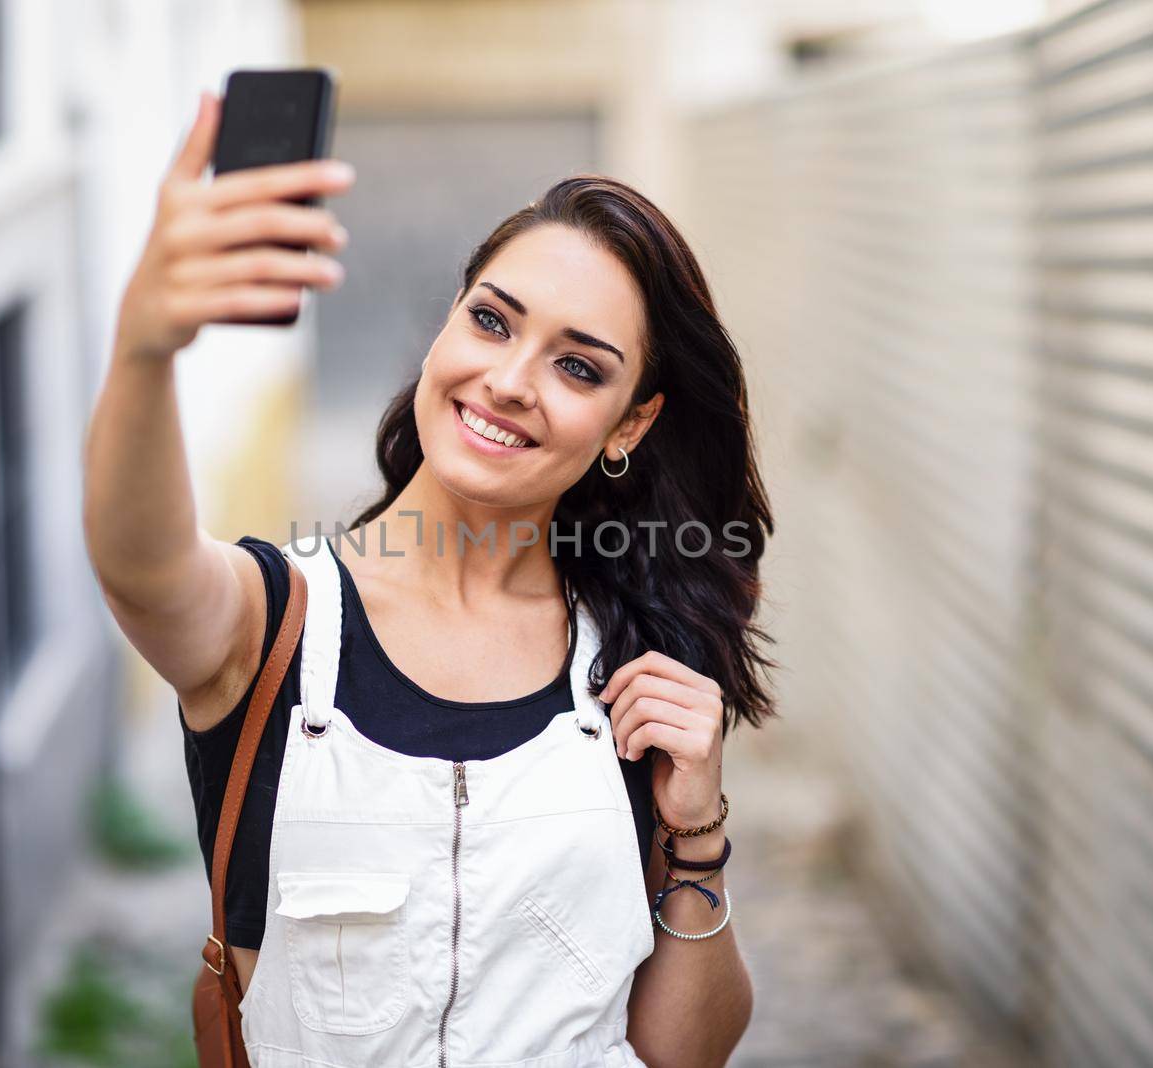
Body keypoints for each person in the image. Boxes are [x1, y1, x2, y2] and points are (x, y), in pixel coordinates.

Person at [84, 89, 774, 1067]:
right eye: (492, 322)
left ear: (629, 424)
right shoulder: (275, 627)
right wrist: (145, 347)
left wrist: (696, 829)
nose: (509, 379)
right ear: (448, 322)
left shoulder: (633, 667)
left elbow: (684, 1054)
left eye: (578, 369)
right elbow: (142, 565)